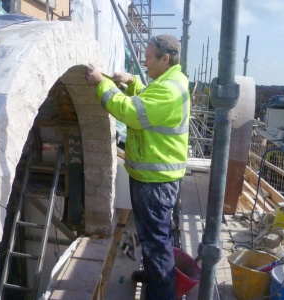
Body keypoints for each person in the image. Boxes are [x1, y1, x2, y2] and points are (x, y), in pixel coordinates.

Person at [85, 34, 190, 300]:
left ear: (165, 59)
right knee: (152, 237)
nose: (144, 62)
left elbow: (132, 113)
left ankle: (161, 292)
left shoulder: (169, 89)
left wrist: (102, 86)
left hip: (156, 180)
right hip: (152, 177)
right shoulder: (168, 82)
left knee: (157, 242)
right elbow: (146, 101)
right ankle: (155, 276)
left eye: (148, 57)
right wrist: (132, 83)